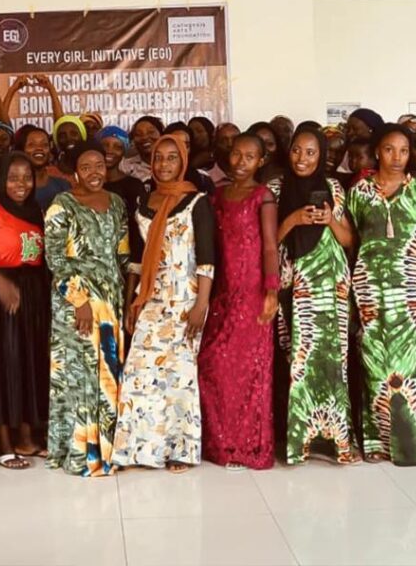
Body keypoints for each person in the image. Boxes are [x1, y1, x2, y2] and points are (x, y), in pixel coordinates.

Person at [112, 133, 214, 474]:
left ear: (182, 162)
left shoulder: (197, 202)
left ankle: (181, 450)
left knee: (179, 376)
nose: (164, 164)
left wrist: (202, 304)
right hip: (151, 298)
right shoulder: (144, 200)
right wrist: (132, 301)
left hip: (186, 299)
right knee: (140, 371)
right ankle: (139, 449)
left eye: (172, 157)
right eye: (159, 157)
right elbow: (138, 259)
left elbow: (207, 259)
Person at [272, 124, 358, 465]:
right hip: (294, 287)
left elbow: (348, 240)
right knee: (298, 363)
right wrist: (293, 219)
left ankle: (336, 440)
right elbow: (266, 242)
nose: (302, 158)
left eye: (310, 152)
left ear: (321, 155)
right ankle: (298, 441)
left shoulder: (334, 187)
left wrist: (328, 221)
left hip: (331, 288)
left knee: (332, 363)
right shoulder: (275, 188)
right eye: (296, 150)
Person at [346, 123, 416, 466]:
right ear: (377, 152)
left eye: (404, 151)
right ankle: (377, 443)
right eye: (389, 149)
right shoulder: (359, 192)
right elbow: (351, 241)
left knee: (413, 367)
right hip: (370, 288)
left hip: (410, 291)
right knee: (375, 365)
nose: (397, 157)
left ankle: (414, 445)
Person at [45, 141, 129, 477]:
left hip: (110, 299)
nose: (94, 172)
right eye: (86, 166)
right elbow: (54, 258)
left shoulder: (117, 202)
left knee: (106, 373)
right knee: (79, 374)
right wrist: (79, 300)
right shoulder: (61, 205)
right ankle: (80, 454)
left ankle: (107, 451)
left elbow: (122, 254)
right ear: (75, 172)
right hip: (75, 302)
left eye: (99, 165)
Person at [198, 133, 279, 470]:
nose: (241, 162)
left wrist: (272, 290)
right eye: (236, 154)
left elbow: (270, 246)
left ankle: (249, 447)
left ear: (261, 161)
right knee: (213, 364)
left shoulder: (263, 196)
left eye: (249, 157)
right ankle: (220, 444)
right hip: (222, 291)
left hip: (252, 293)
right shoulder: (216, 196)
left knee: (250, 371)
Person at [0, 151, 50, 470]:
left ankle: (27, 438)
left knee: (29, 362)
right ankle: (3, 444)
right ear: (1, 179)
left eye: (27, 177)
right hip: (3, 292)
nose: (21, 184)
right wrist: (0, 283)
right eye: (14, 177)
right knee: (4, 365)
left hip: (33, 292)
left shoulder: (37, 210)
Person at [98, 126, 148, 262]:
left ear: (124, 152)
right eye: (105, 145)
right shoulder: (90, 185)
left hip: (127, 262)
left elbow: (139, 231)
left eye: (117, 147)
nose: (110, 150)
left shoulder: (134, 186)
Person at [15, 125, 71, 210]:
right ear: (21, 150)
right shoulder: (13, 188)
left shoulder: (63, 186)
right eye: (32, 145)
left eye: (44, 145)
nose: (39, 148)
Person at [164, 122, 215, 193]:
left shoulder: (202, 179)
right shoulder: (156, 176)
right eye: (175, 143)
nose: (181, 148)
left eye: (186, 145)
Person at [121, 115, 163, 181]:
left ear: (162, 135)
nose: (145, 137)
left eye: (151, 132)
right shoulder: (125, 167)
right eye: (138, 134)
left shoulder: (174, 165)